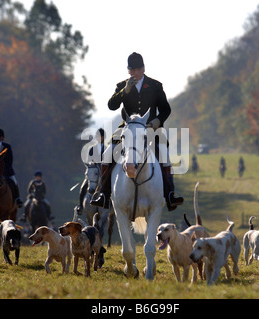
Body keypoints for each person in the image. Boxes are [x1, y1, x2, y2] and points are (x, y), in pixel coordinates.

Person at [90, 52, 184, 211]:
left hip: (151, 128)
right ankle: (103, 194)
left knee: (164, 153)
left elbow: (166, 109)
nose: (136, 73)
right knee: (108, 152)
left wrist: (158, 121)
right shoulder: (122, 86)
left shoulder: (155, 85)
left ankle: (169, 194)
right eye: (132, 70)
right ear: (128, 70)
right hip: (127, 127)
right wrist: (124, 91)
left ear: (143, 68)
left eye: (138, 69)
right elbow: (111, 106)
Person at [76, 128, 105, 213]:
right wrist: (92, 164)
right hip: (93, 172)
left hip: (103, 173)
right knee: (83, 187)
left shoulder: (107, 148)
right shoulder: (92, 149)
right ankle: (80, 206)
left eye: (101, 137)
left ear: (103, 137)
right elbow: (89, 160)